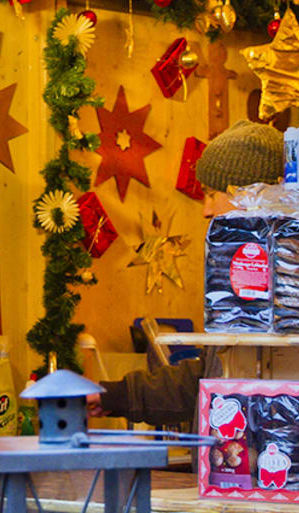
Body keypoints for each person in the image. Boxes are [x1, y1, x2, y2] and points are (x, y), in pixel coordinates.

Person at [95, 118, 284, 429]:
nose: (206, 210)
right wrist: (114, 396)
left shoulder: (291, 282)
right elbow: (206, 379)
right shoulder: (232, 278)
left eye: (211, 194)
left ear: (250, 195)